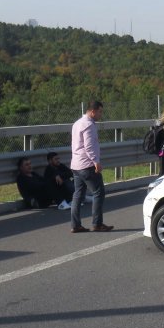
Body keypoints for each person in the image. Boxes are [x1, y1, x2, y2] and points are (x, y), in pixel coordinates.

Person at [69, 100, 112, 233]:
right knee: (99, 192)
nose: (101, 114)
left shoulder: (77, 123)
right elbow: (89, 146)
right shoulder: (89, 125)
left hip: (76, 164)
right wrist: (96, 161)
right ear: (92, 111)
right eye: (100, 111)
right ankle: (97, 224)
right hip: (87, 164)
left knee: (78, 195)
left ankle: (75, 225)